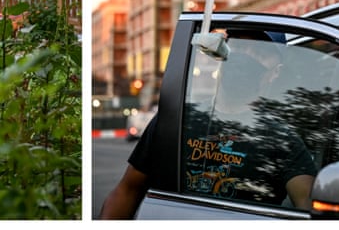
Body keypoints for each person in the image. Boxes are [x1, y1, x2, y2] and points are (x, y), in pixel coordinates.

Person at [99, 30, 316, 219]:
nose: (245, 58)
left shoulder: (282, 139)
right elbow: (127, 191)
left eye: (259, 53)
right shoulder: (178, 120)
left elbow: (309, 205)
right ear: (222, 53)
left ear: (275, 72)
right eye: (240, 47)